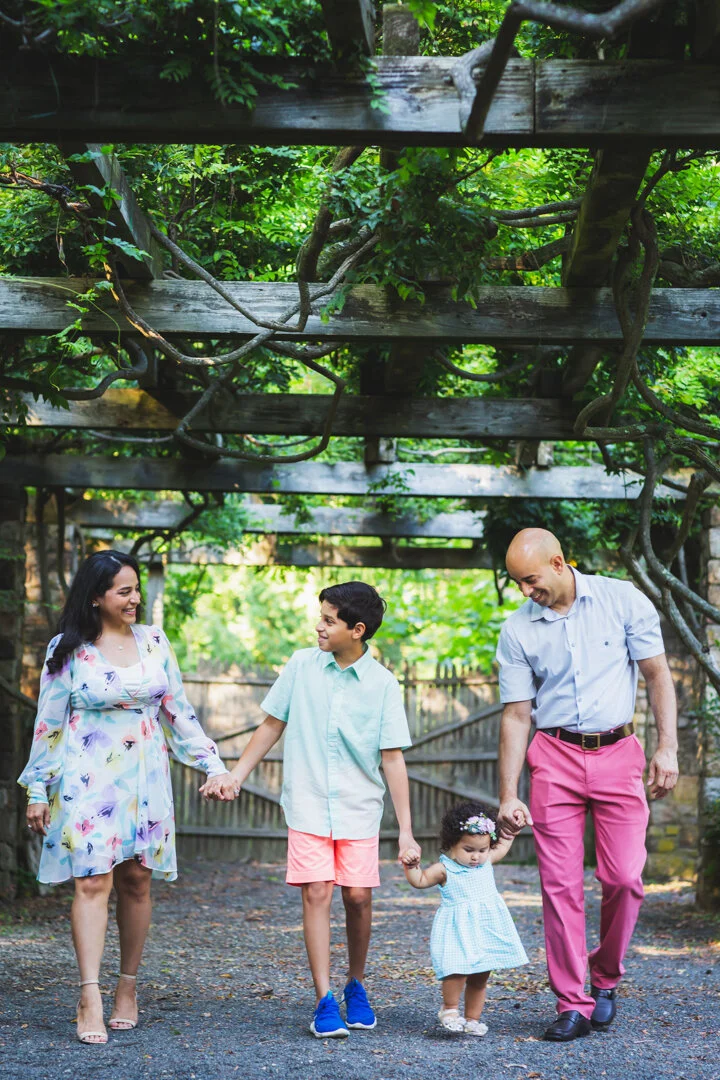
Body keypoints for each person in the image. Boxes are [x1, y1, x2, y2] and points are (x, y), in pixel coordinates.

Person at [19, 550, 232, 1045]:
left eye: (136, 589)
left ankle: (127, 988)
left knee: (137, 880)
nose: (135, 599)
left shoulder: (155, 641)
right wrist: (37, 788)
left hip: (146, 779)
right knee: (93, 881)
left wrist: (213, 765)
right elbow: (49, 723)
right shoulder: (67, 649)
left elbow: (178, 712)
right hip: (88, 779)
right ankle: (89, 996)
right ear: (96, 597)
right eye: (124, 591)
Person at [202, 580, 421, 1039]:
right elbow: (271, 725)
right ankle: (324, 999)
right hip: (307, 803)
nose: (318, 626)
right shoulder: (301, 665)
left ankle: (355, 984)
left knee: (357, 896)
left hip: (359, 808)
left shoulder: (383, 684)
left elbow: (393, 758)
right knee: (317, 892)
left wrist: (406, 830)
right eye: (320, 617)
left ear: (357, 630)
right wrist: (236, 774)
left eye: (328, 620)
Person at [495, 528, 678, 1042]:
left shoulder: (622, 600)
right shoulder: (517, 629)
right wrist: (508, 792)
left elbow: (658, 675)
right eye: (518, 582)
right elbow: (516, 714)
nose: (525, 591)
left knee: (625, 878)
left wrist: (668, 747)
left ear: (558, 563)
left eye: (530, 579)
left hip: (619, 753)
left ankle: (606, 975)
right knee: (559, 886)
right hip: (554, 757)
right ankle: (572, 1002)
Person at [401, 799, 527, 1036]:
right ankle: (449, 1009)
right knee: (457, 971)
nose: (476, 857)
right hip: (458, 930)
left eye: (482, 850)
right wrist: (412, 866)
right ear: (452, 844)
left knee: (481, 976)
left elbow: (503, 845)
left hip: (485, 929)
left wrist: (512, 828)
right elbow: (420, 881)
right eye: (469, 850)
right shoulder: (444, 869)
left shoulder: (486, 862)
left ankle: (472, 1019)